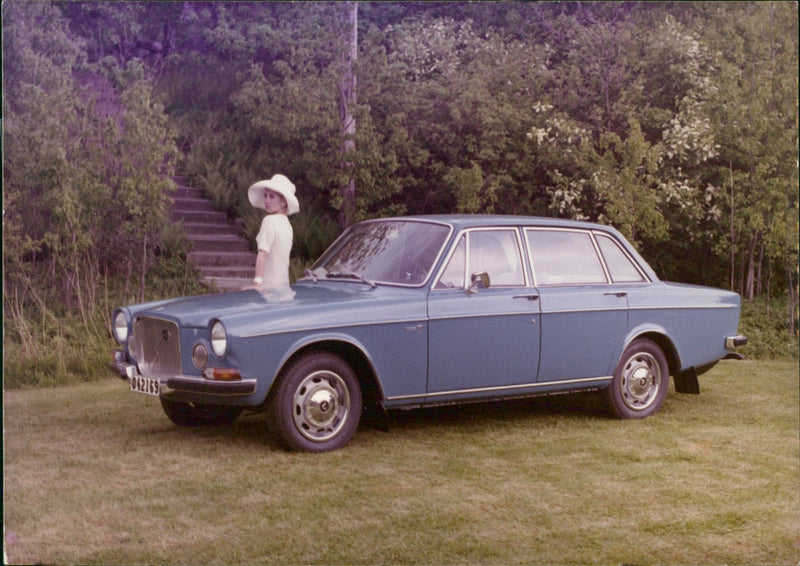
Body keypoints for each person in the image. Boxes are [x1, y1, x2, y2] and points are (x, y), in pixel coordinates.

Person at [246, 174, 299, 297]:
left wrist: (257, 283)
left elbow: (262, 254)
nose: (267, 200)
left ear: (283, 202)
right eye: (265, 196)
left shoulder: (269, 221)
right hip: (284, 288)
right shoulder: (287, 225)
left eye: (271, 197)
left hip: (269, 288)